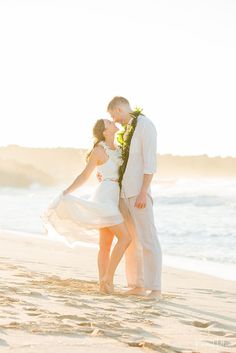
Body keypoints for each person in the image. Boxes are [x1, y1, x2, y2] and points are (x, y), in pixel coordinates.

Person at [42, 118, 131, 294]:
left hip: (115, 196)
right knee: (125, 238)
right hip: (105, 197)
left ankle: (104, 285)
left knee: (105, 245)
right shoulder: (98, 150)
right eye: (109, 123)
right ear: (105, 131)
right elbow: (85, 175)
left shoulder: (119, 149)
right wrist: (66, 192)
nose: (113, 123)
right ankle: (108, 278)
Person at [102, 96, 162, 298]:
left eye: (113, 115)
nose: (114, 120)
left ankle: (155, 288)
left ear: (119, 109)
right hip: (124, 193)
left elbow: (150, 162)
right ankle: (137, 285)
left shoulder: (145, 125)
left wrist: (144, 192)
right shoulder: (128, 130)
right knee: (133, 241)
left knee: (148, 240)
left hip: (139, 193)